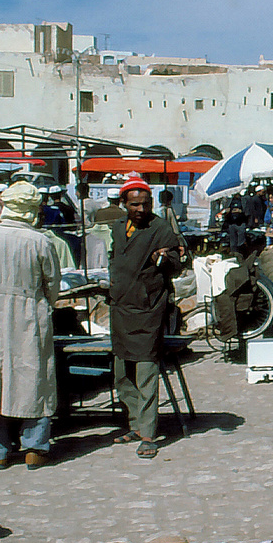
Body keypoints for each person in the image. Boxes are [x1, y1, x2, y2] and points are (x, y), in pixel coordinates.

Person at [0, 182, 63, 471]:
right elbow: (52, 285)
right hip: (29, 312)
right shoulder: (40, 241)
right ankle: (35, 446)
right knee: (33, 377)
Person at [108, 178, 185, 459]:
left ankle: (149, 434)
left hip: (148, 310)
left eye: (145, 203)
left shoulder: (161, 229)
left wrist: (164, 258)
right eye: (135, 204)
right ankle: (135, 425)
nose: (141, 209)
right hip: (121, 308)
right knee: (122, 377)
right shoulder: (117, 228)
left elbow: (177, 264)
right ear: (123, 204)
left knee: (146, 375)